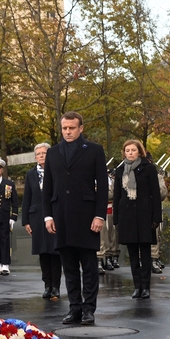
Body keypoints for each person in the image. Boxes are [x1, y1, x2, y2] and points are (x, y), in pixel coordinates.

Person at [43, 111, 108, 326]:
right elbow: (48, 188)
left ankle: (89, 309)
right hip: (61, 217)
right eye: (64, 128)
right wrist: (48, 216)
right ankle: (75, 309)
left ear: (81, 128)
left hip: (87, 217)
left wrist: (100, 215)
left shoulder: (95, 150)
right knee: (69, 268)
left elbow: (102, 187)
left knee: (89, 267)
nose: (68, 131)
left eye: (72, 128)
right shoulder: (52, 153)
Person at [112, 140, 162, 299]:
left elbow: (155, 195)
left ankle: (146, 287)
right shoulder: (120, 171)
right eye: (127, 150)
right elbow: (117, 196)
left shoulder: (148, 169)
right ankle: (137, 287)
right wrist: (116, 219)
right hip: (126, 216)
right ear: (124, 152)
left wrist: (156, 218)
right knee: (132, 253)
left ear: (140, 152)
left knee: (145, 253)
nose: (130, 153)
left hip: (144, 215)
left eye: (133, 150)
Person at [22, 143, 61, 300]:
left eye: (44, 153)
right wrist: (26, 221)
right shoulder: (31, 174)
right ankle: (47, 286)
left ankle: (56, 287)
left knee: (55, 252)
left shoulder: (56, 171)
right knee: (43, 253)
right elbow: (27, 198)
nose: (41, 156)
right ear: (35, 157)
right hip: (36, 217)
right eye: (38, 154)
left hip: (54, 216)